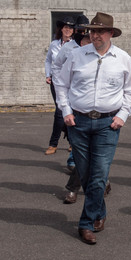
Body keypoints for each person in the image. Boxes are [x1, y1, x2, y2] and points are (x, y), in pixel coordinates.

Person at [54, 12, 131, 245]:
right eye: (93, 31)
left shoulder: (122, 58)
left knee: (99, 175)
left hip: (107, 124)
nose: (96, 35)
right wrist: (66, 111)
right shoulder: (76, 56)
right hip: (78, 123)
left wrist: (122, 115)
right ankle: (99, 212)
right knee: (87, 174)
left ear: (111, 33)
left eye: (101, 31)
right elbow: (61, 84)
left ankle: (85, 223)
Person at [51, 14, 89, 173]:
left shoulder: (92, 46)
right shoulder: (68, 47)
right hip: (72, 92)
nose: (82, 32)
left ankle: (82, 161)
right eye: (79, 29)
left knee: (85, 130)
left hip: (87, 92)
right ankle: (73, 160)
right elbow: (56, 66)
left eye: (85, 29)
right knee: (76, 128)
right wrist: (61, 84)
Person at [44, 16, 76, 156]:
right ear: (61, 29)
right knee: (59, 112)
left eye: (70, 28)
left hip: (70, 82)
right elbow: (48, 60)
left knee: (68, 112)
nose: (67, 30)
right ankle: (53, 144)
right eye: (65, 27)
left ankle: (70, 142)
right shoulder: (54, 44)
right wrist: (48, 74)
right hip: (56, 82)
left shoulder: (76, 45)